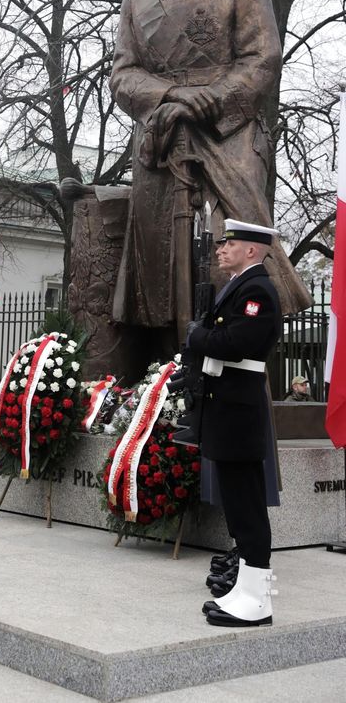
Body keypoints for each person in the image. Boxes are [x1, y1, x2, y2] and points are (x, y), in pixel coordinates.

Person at [109, 0, 310, 349]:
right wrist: (174, 97)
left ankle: (237, 350)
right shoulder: (137, 3)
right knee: (159, 253)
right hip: (161, 133)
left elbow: (262, 58)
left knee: (232, 243)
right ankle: (164, 372)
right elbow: (122, 75)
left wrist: (210, 99)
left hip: (228, 130)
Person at [186, 219, 282, 627]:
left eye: (231, 244)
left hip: (238, 411)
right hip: (227, 409)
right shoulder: (240, 287)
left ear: (252, 251)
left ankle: (258, 600)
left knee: (247, 507)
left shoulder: (257, 290)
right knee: (239, 509)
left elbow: (234, 343)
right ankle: (245, 590)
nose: (222, 249)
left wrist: (196, 335)